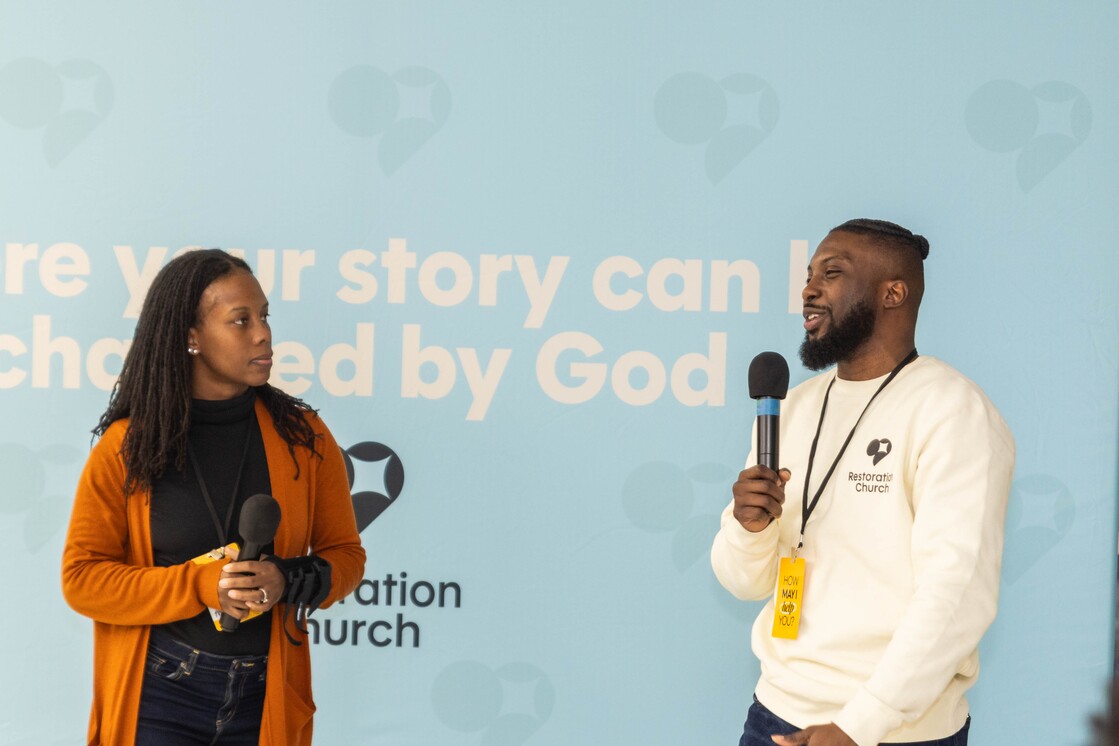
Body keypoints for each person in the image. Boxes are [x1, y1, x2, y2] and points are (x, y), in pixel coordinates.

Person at [711, 219, 1014, 746]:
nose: (808, 288)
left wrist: (858, 725)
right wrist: (748, 528)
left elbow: (956, 595)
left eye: (831, 273)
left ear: (893, 292)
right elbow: (744, 583)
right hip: (775, 713)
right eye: (809, 275)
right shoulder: (795, 406)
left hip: (892, 733)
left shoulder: (953, 411)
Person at [61, 249, 366, 745]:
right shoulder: (127, 446)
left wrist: (285, 579)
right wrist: (200, 586)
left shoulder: (303, 437)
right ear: (191, 337)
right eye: (240, 321)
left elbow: (346, 556)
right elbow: (83, 580)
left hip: (263, 697)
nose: (263, 333)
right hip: (160, 695)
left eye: (264, 316)